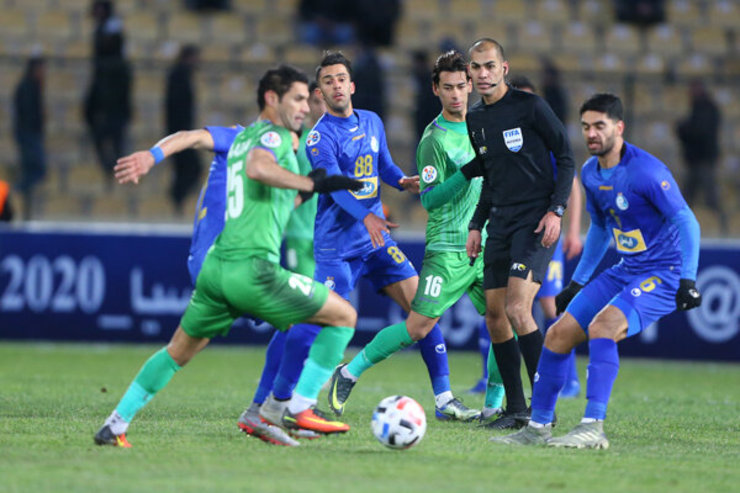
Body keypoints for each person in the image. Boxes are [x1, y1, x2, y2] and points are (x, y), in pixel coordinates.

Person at [94, 64, 363, 448]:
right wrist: (312, 181)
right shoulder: (271, 138)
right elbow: (259, 168)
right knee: (342, 317)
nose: (307, 106)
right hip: (251, 269)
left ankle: (116, 423)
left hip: (216, 270)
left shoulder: (242, 139)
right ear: (272, 99)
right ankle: (295, 409)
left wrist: (309, 191)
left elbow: (268, 192)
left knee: (178, 351)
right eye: (300, 99)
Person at [258, 51, 479, 432]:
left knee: (425, 311)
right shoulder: (319, 138)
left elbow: (383, 165)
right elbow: (335, 188)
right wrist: (369, 215)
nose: (336, 85)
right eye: (328, 81)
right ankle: (281, 398)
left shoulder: (373, 122)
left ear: (352, 85)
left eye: (341, 78)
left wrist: (402, 181)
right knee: (321, 323)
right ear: (320, 92)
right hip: (337, 247)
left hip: (375, 242)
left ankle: (444, 399)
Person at [492, 93, 702, 448]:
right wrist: (577, 282)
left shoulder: (646, 171)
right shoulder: (589, 173)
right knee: (558, 334)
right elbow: (602, 229)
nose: (591, 133)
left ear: (619, 128)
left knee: (604, 326)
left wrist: (688, 279)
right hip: (627, 267)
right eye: (586, 126)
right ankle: (538, 428)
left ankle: (592, 427)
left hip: (664, 272)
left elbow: (686, 219)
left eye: (599, 126)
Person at [328, 50, 497, 421]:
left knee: (506, 321)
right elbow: (432, 199)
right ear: (436, 89)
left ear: (471, 85)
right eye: (447, 88)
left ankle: (497, 408)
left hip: (487, 243)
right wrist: (467, 171)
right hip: (449, 246)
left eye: (461, 86)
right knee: (420, 326)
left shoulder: (485, 124)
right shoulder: (433, 140)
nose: (456, 94)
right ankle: (349, 371)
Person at [462, 38, 576, 430]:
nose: (482, 74)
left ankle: (543, 407)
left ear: (504, 68)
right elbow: (491, 178)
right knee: (495, 317)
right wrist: (477, 224)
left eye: (489, 66)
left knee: (517, 309)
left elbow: (565, 157)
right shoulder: (474, 120)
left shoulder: (530, 107)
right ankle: (515, 408)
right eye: (475, 67)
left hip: (535, 221)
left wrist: (556, 211)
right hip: (500, 222)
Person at [84, 0, 132, 181]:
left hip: (115, 92)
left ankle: (117, 166)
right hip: (105, 89)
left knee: (115, 131)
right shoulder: (102, 30)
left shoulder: (112, 31)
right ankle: (110, 164)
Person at [676, 79, 727, 235]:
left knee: (709, 196)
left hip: (703, 159)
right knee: (688, 198)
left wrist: (683, 129)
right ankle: (681, 229)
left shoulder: (706, 109)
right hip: (696, 159)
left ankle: (722, 228)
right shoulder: (700, 108)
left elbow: (700, 132)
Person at [165, 44, 202, 215]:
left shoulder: (181, 75)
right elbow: (176, 107)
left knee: (188, 168)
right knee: (191, 168)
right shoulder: (179, 76)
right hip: (179, 132)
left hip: (181, 131)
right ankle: (176, 197)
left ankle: (177, 200)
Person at [12, 56, 46, 220]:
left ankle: (20, 191)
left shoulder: (34, 87)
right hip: (28, 135)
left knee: (34, 170)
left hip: (31, 134)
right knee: (36, 169)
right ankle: (17, 190)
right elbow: (26, 113)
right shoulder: (26, 87)